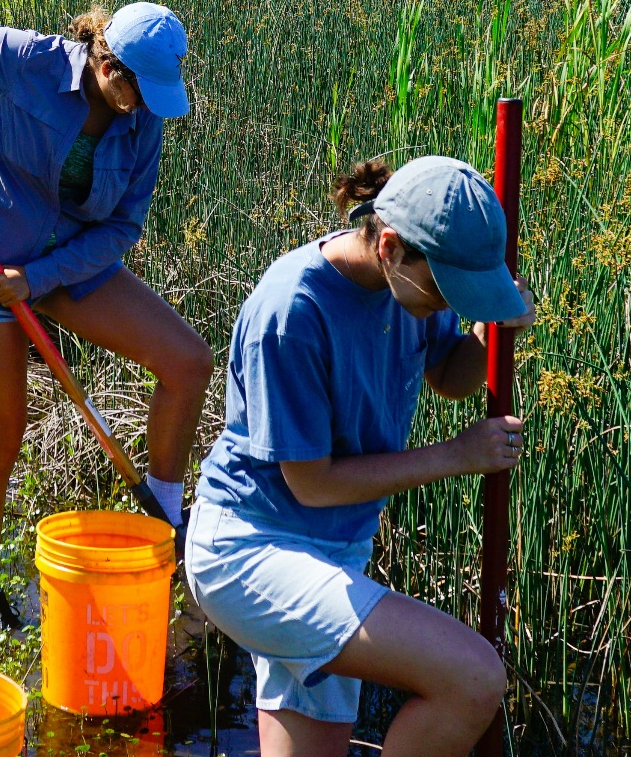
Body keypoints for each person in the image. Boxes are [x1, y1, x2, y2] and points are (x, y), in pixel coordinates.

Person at [185, 156, 537, 756]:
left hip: (334, 552)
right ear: (391, 247)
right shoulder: (292, 312)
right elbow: (313, 485)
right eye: (444, 290)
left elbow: (449, 377)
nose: (447, 304)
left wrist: (491, 332)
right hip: (250, 551)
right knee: (474, 679)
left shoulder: (407, 289)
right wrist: (457, 455)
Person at [0, 3, 213, 630]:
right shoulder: (33, 60)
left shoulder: (143, 118)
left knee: (189, 361)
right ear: (104, 62)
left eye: (153, 96)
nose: (140, 107)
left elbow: (123, 225)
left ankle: (164, 524)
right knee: (2, 436)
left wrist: (39, 279)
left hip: (64, 266)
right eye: (133, 90)